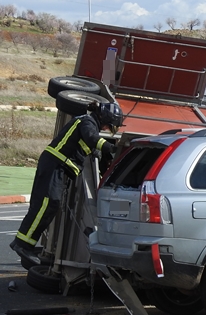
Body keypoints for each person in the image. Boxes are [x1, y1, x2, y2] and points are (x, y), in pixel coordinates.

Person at [9, 102, 123, 266]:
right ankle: (22, 244)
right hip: (55, 164)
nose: (106, 129)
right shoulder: (87, 122)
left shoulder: (89, 125)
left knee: (51, 205)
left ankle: (25, 243)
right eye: (108, 126)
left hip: (59, 167)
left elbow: (93, 149)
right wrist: (112, 148)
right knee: (46, 204)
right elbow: (92, 139)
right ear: (104, 118)